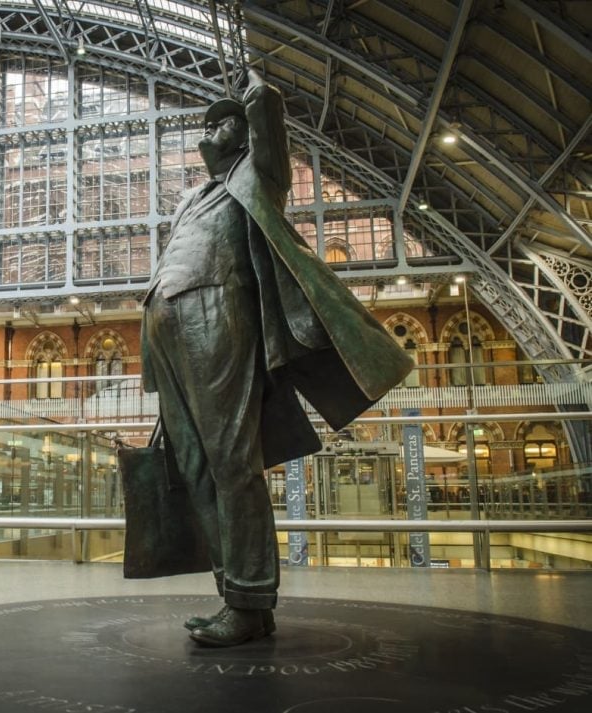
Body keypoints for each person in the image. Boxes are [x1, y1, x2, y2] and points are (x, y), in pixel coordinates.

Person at [138, 68, 413, 647]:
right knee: (195, 467)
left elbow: (269, 118)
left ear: (240, 136)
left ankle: (248, 598)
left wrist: (256, 87)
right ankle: (236, 597)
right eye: (206, 123)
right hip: (167, 330)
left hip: (218, 317)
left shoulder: (257, 176)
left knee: (230, 460)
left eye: (222, 122)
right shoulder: (191, 196)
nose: (208, 131)